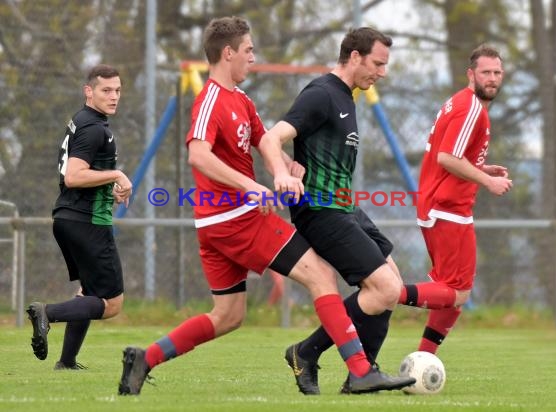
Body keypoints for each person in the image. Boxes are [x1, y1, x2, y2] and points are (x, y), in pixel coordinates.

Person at [117, 16, 413, 396]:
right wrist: (250, 185)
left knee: (228, 316)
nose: (253, 58)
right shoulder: (209, 99)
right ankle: (358, 369)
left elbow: (266, 141)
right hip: (234, 218)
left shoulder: (241, 100)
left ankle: (145, 358)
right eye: (248, 50)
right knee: (320, 275)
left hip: (222, 223)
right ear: (228, 53)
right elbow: (197, 155)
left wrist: (285, 171)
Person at [259, 27, 415, 395]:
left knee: (389, 281)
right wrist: (282, 173)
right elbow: (269, 138)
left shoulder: (348, 97)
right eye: (377, 63)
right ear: (355, 56)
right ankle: (316, 356)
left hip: (345, 206)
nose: (382, 72)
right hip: (319, 209)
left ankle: (357, 373)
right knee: (384, 288)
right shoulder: (321, 94)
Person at [397, 44, 512, 354]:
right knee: (457, 293)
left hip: (444, 207)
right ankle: (387, 293)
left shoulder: (461, 103)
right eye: (486, 72)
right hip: (447, 209)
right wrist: (488, 180)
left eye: (497, 73)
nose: (492, 78)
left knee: (453, 294)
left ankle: (423, 359)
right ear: (470, 74)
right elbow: (448, 157)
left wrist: (480, 166)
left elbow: (448, 154)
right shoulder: (470, 107)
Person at [26, 64, 132, 369]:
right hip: (87, 222)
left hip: (70, 218)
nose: (114, 97)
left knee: (89, 291)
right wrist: (117, 174)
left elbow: (82, 176)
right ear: (89, 91)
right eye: (106, 90)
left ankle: (67, 361)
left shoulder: (83, 120)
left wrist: (108, 187)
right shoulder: (93, 128)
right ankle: (47, 313)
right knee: (111, 303)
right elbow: (74, 176)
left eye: (117, 90)